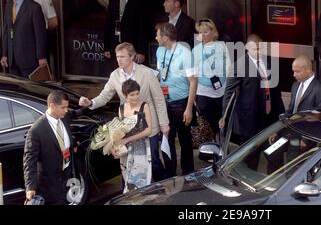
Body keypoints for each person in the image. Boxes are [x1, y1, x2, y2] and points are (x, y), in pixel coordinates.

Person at [78, 42, 169, 181]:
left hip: (148, 121)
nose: (119, 60)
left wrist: (164, 123)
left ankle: (163, 187)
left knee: (153, 160)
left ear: (132, 57)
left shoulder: (147, 73)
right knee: (130, 161)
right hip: (128, 125)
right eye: (117, 56)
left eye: (123, 57)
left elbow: (158, 99)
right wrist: (90, 102)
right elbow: (105, 96)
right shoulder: (115, 75)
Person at [220, 34, 285, 147]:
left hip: (270, 116)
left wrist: (281, 113)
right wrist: (224, 116)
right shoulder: (238, 66)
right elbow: (229, 94)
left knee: (274, 154)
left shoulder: (270, 62)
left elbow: (275, 91)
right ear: (247, 48)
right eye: (255, 49)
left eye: (260, 48)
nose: (259, 52)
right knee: (251, 157)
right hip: (249, 120)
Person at [155, 22, 197, 176]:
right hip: (164, 101)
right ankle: (170, 172)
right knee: (167, 137)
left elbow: (193, 80)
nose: (156, 37)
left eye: (158, 35)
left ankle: (188, 172)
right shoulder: (160, 51)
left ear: (165, 38)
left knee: (185, 139)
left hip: (181, 102)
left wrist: (189, 108)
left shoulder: (185, 53)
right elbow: (160, 72)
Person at [23, 91, 74, 204]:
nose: (66, 110)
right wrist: (30, 187)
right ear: (52, 105)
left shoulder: (64, 119)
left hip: (65, 179)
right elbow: (29, 160)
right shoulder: (36, 130)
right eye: (63, 107)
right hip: (48, 185)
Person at [1, 0, 47, 78]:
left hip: (29, 60)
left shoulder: (34, 8)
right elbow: (6, 32)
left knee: (30, 90)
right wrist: (4, 54)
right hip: (12, 60)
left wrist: (41, 57)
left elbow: (40, 34)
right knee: (15, 91)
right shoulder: (8, 6)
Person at [113, 80, 153, 192]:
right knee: (128, 182)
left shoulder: (144, 106)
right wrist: (114, 146)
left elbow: (148, 130)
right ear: (125, 95)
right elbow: (118, 131)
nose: (135, 97)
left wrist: (127, 139)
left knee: (140, 182)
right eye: (132, 95)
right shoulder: (121, 108)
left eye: (137, 94)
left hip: (141, 149)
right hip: (125, 151)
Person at [192, 18, 229, 137]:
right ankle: (210, 147)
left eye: (206, 32)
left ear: (213, 31)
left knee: (222, 121)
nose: (203, 35)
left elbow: (228, 67)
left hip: (221, 91)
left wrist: (229, 87)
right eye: (200, 32)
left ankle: (222, 147)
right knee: (207, 123)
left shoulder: (222, 46)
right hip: (203, 92)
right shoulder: (196, 50)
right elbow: (194, 73)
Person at [104, 0, 147, 64]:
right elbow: (109, 23)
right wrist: (106, 46)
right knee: (117, 76)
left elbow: (143, 26)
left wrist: (141, 51)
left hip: (132, 46)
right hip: (115, 46)